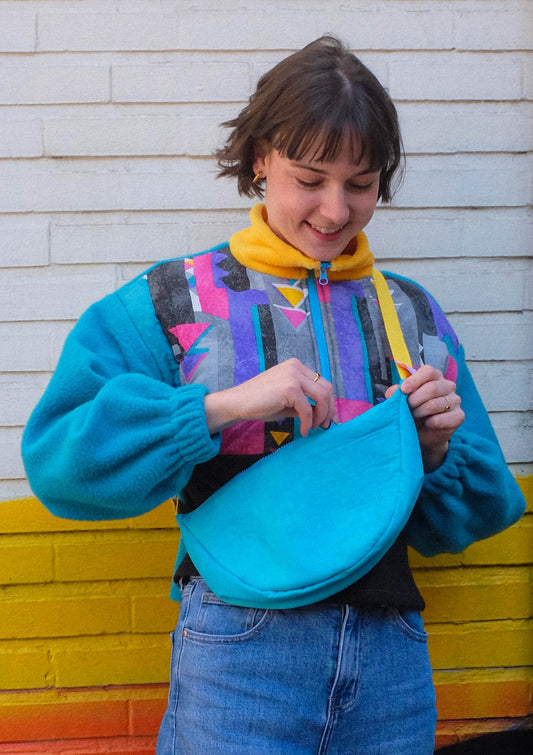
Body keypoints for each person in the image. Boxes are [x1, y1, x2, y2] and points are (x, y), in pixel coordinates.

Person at [21, 36, 525, 754]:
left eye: (360, 184)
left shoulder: (412, 313)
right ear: (260, 159)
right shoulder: (174, 301)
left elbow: (478, 512)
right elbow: (59, 463)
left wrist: (436, 451)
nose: (334, 210)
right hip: (240, 655)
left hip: (390, 661)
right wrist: (221, 407)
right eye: (309, 179)